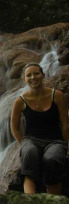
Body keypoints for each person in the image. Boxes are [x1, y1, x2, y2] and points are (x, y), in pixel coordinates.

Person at [10, 62, 69, 195]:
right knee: (29, 153)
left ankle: (52, 202)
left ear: (42, 75)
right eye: (28, 75)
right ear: (24, 79)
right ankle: (31, 203)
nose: (33, 77)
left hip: (55, 140)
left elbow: (65, 124)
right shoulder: (20, 101)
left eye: (36, 73)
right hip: (31, 139)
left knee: (51, 159)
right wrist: (23, 143)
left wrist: (66, 145)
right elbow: (14, 128)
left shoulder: (57, 96)